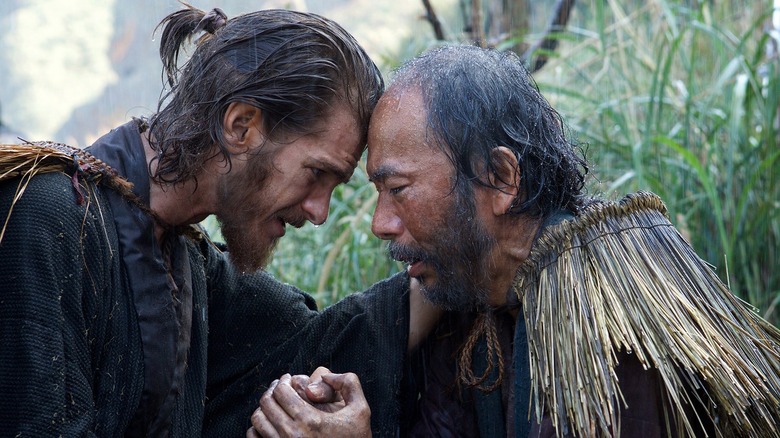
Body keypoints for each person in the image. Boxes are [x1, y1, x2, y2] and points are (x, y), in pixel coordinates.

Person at [252, 44, 780, 437]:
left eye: (398, 189)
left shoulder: (613, 316)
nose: (380, 223)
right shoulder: (473, 293)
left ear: (501, 179)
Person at [0, 6, 438, 437]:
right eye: (316, 173)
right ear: (241, 125)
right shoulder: (45, 213)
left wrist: (460, 254)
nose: (319, 213)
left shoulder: (186, 259)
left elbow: (320, 340)